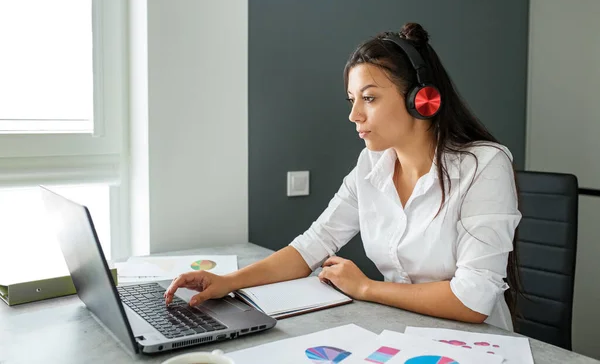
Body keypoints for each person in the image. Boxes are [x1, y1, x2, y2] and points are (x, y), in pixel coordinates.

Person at [164, 22, 522, 332]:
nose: (354, 115)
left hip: (479, 346)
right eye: (351, 99)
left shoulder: (484, 166)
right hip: (404, 332)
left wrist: (365, 288)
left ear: (421, 99)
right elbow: (311, 246)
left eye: (369, 98)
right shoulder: (371, 165)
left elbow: (472, 301)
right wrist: (227, 282)